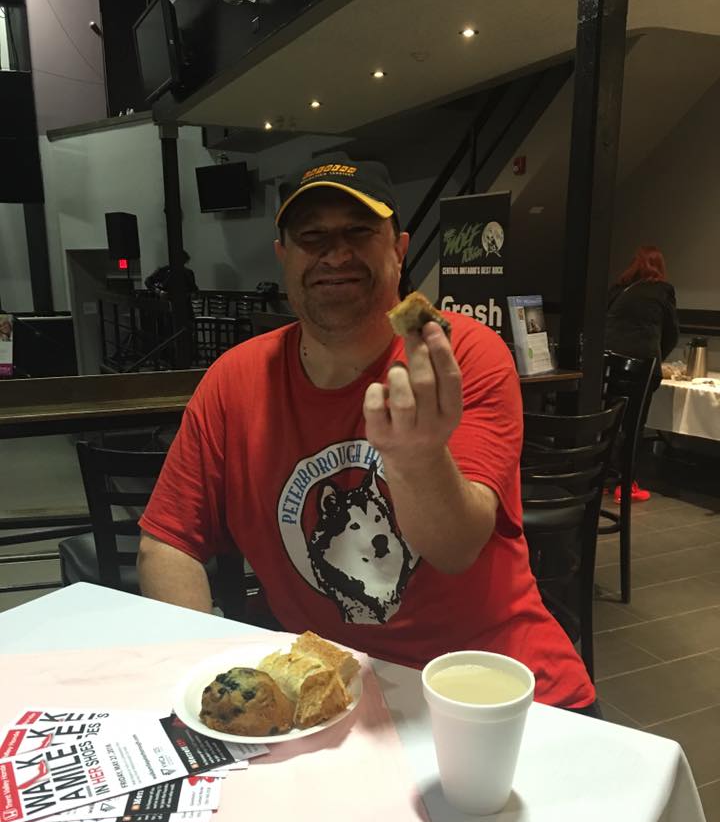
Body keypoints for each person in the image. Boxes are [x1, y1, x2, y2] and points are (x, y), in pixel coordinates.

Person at [137, 155, 597, 715]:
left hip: (494, 691)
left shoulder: (460, 355)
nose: (335, 254)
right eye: (312, 237)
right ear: (283, 256)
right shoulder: (234, 381)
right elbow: (168, 542)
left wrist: (418, 459)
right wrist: (209, 687)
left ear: (399, 249)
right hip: (331, 700)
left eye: (359, 231)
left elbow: (455, 549)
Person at [605, 245, 678, 502]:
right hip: (641, 366)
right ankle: (625, 485)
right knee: (634, 425)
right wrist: (658, 359)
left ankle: (603, 477)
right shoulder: (662, 290)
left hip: (611, 364)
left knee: (610, 420)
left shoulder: (619, 290)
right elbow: (672, 333)